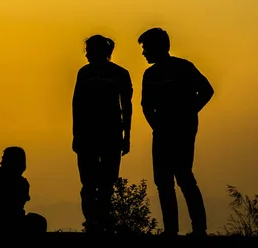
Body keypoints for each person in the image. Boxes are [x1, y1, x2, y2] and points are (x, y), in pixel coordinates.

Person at [138, 28, 214, 237]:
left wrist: (189, 113)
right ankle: (171, 230)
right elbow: (145, 105)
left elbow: (207, 90)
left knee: (184, 177)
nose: (143, 53)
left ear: (158, 47)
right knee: (163, 181)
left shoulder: (184, 67)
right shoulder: (150, 74)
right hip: (162, 132)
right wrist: (157, 125)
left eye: (146, 48)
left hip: (182, 132)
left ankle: (199, 229)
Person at [72, 35, 133, 233]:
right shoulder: (90, 73)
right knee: (95, 185)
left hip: (105, 135)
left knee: (101, 184)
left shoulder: (116, 73)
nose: (87, 54)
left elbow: (126, 105)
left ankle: (98, 224)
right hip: (99, 136)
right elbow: (77, 104)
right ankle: (95, 224)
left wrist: (127, 136)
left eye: (89, 50)